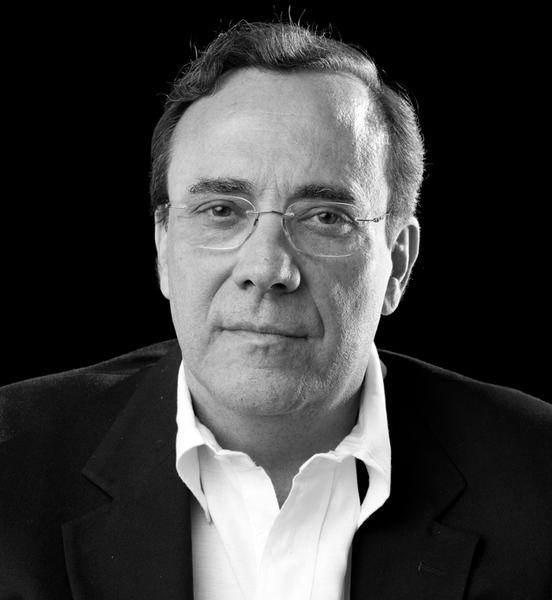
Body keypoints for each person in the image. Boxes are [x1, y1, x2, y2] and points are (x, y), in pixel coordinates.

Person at [1, 20, 550, 600]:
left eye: (325, 217)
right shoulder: (11, 464)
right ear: (163, 247)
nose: (266, 268)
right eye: (221, 210)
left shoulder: (540, 477)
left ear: (397, 263)